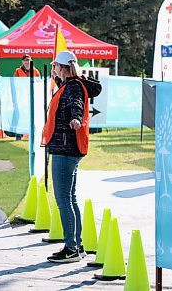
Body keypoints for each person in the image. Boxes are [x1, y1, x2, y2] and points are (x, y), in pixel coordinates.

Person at [40, 50, 100, 263]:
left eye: (56, 65)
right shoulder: (68, 84)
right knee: (70, 198)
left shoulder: (73, 87)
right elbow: (70, 88)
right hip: (68, 148)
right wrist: (57, 75)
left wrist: (75, 118)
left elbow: (76, 104)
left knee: (63, 199)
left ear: (64, 67)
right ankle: (76, 244)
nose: (53, 68)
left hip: (65, 149)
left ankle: (71, 248)